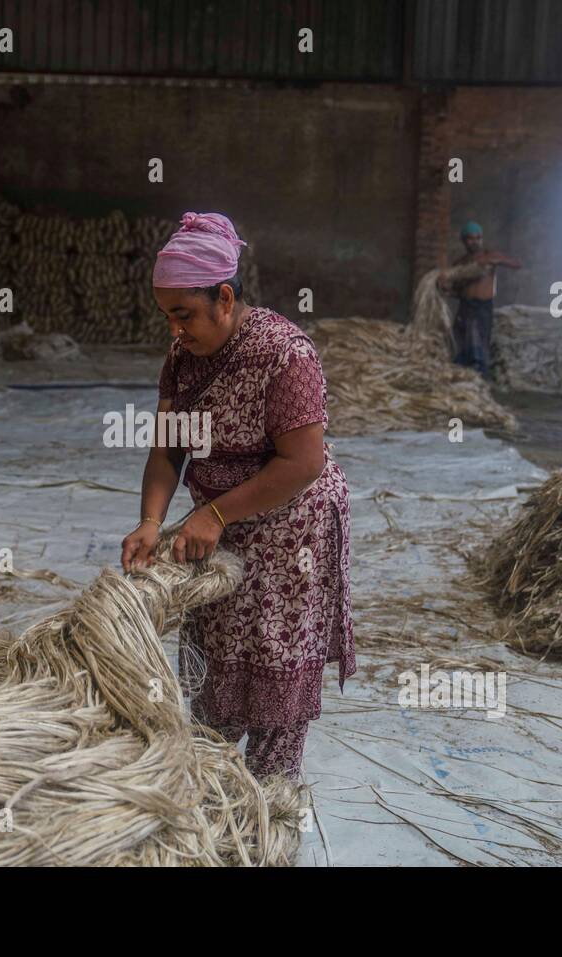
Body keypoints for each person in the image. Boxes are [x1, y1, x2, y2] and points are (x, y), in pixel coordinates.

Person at [119, 212, 354, 781]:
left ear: (224, 297)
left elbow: (303, 463)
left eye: (185, 315)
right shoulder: (181, 362)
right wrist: (152, 521)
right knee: (211, 678)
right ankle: (214, 796)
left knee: (273, 672)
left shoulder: (284, 355)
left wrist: (217, 512)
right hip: (214, 529)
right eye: (167, 317)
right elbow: (169, 452)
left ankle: (268, 807)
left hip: (289, 529)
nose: (176, 331)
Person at [439, 221, 522, 378]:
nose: (475, 241)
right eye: (470, 238)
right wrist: (447, 290)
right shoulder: (460, 264)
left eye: (478, 238)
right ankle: (460, 376)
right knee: (459, 341)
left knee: (478, 342)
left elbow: (517, 264)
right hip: (465, 306)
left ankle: (479, 378)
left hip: (482, 307)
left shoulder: (489, 256)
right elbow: (458, 290)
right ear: (464, 241)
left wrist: (497, 261)